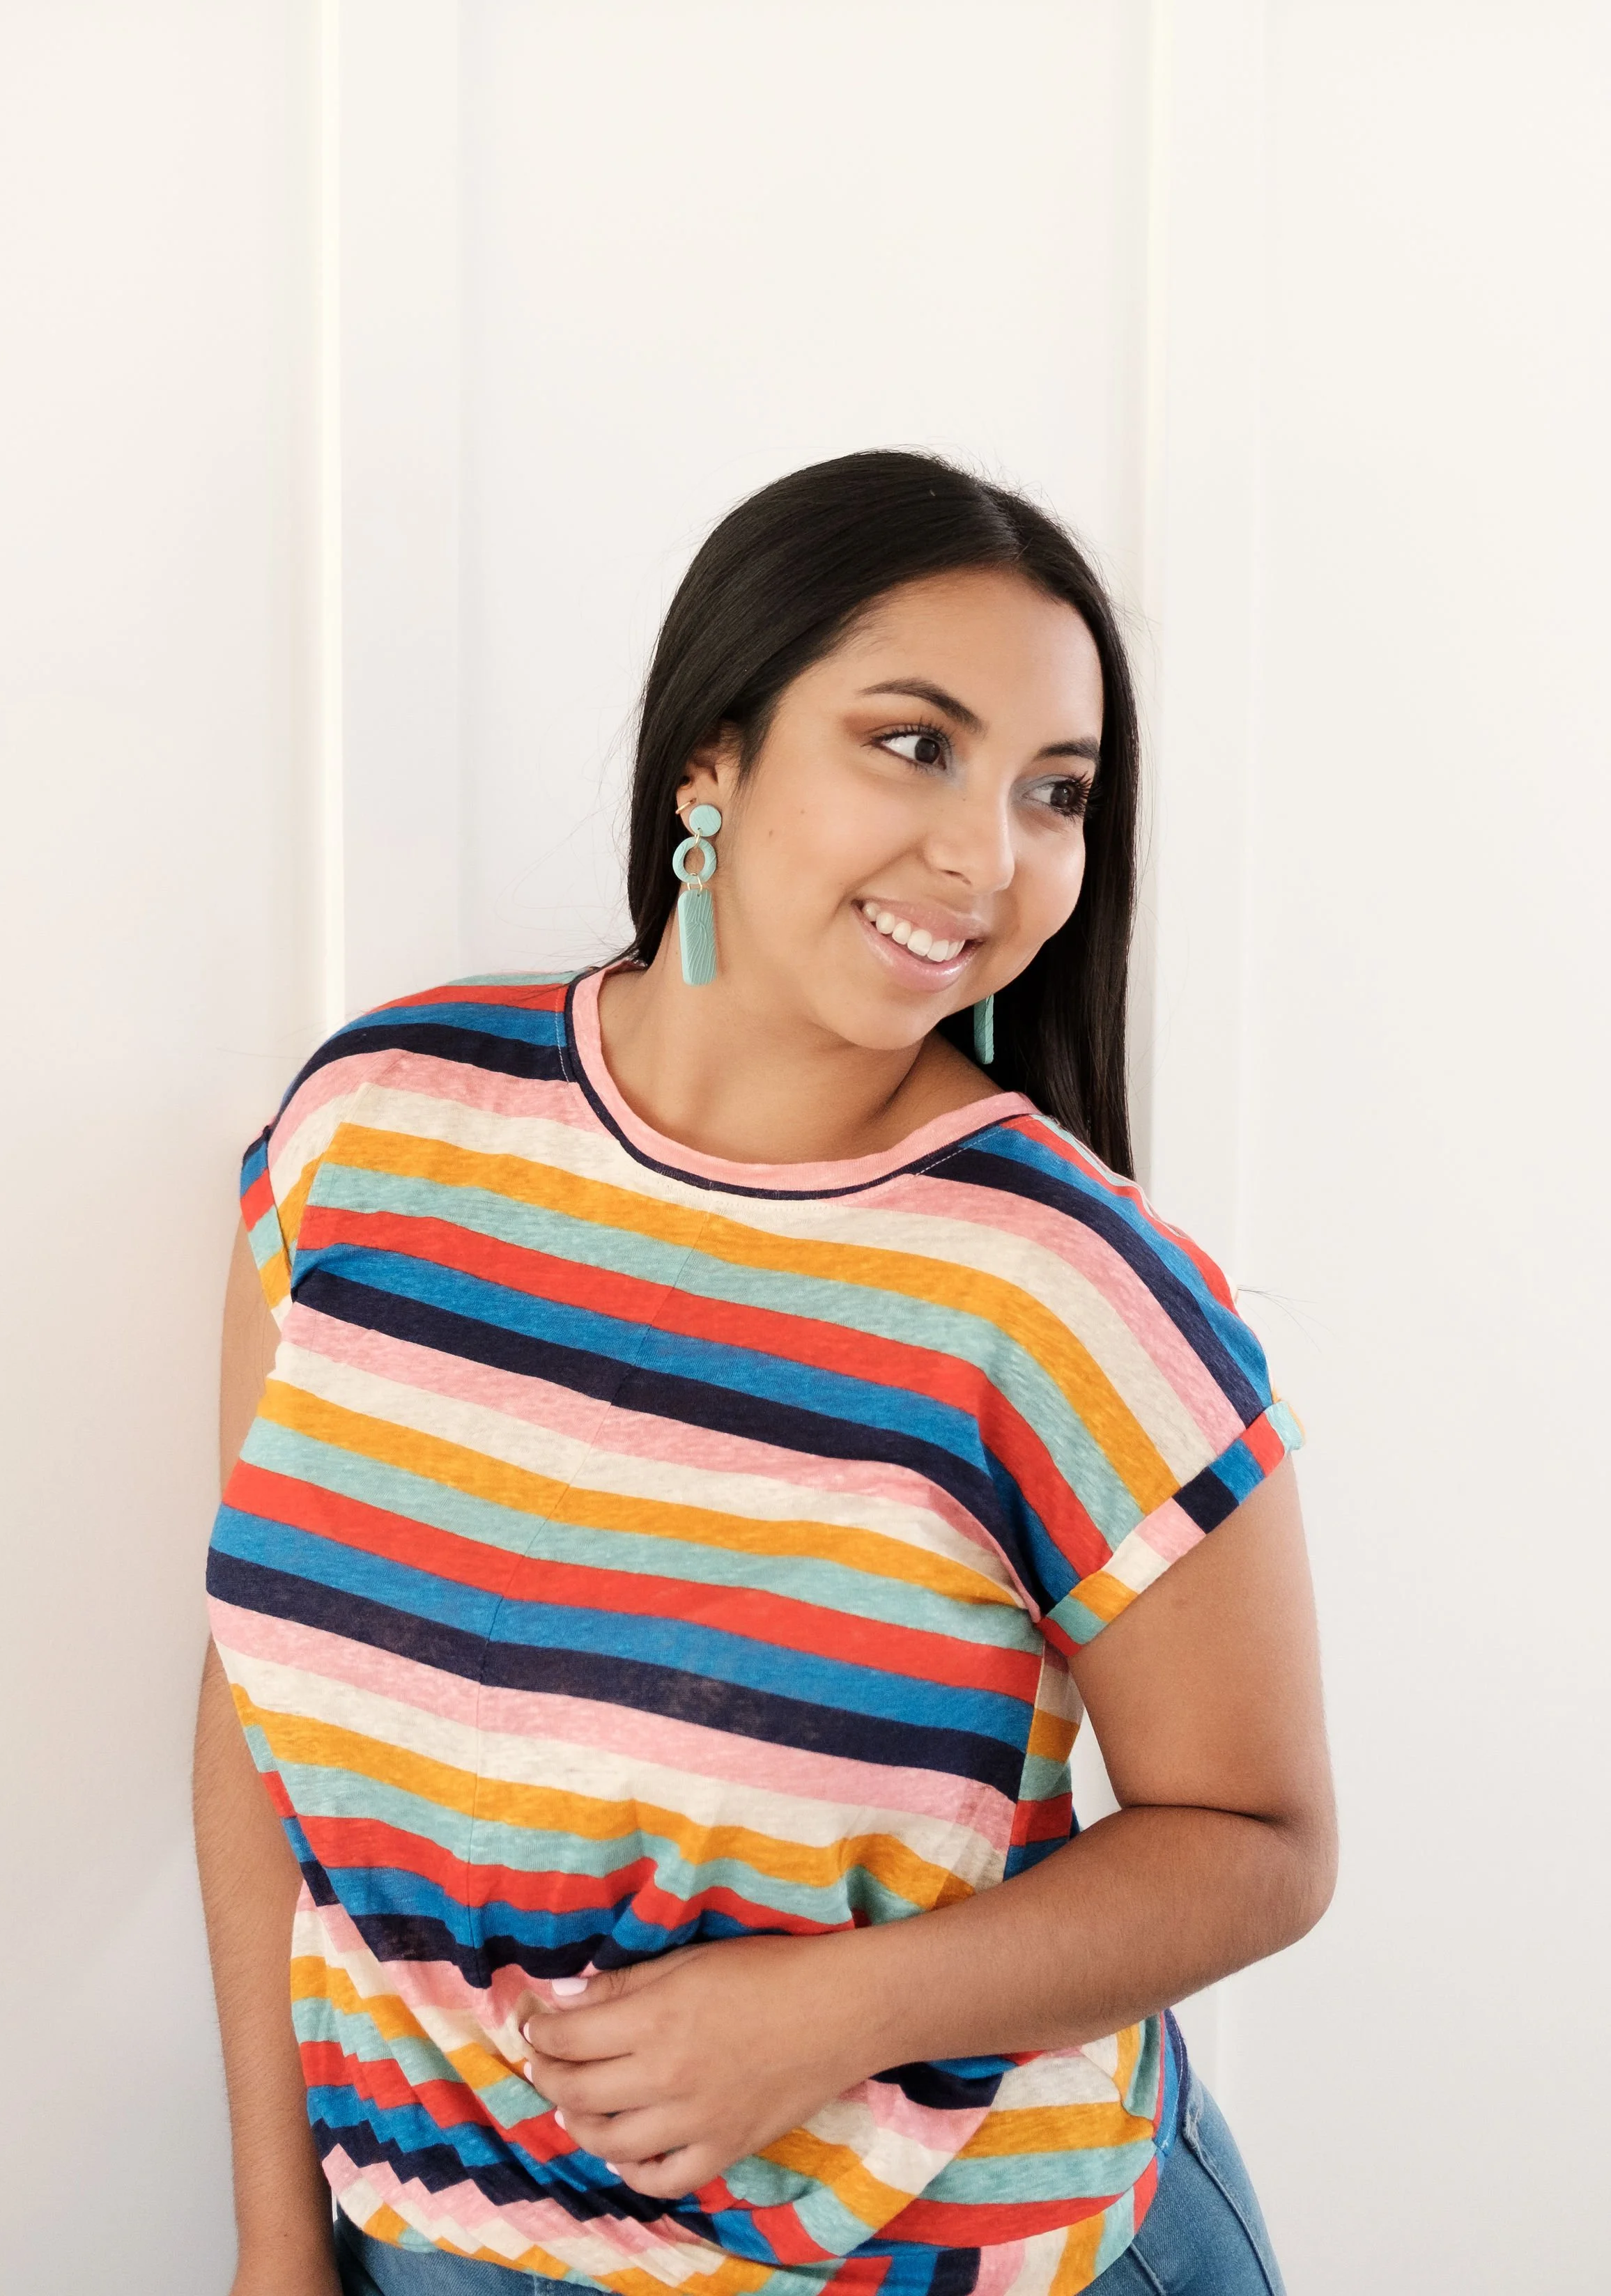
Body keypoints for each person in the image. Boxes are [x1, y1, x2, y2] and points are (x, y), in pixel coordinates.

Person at [196, 449, 1335, 2296]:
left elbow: (1262, 1843)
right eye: (914, 745)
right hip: (441, 2255)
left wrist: (834, 2011)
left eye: (1059, 794)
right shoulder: (372, 1139)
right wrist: (273, 2236)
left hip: (948, 2259)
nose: (989, 857)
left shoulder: (1069, 1296)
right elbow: (262, 1706)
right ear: (709, 762)